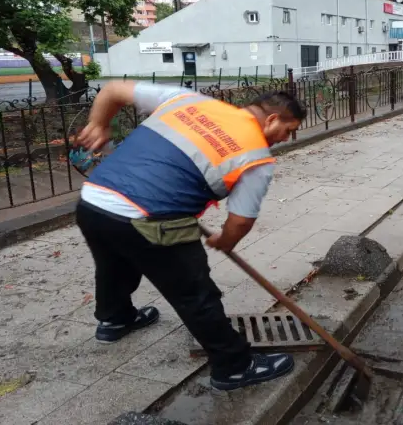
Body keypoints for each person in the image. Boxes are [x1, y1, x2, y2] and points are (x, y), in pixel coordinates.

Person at [73, 80, 306, 390]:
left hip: (93, 202)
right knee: (196, 294)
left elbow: (113, 90)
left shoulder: (187, 100)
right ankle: (234, 366)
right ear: (273, 119)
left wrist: (98, 124)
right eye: (289, 130)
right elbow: (240, 222)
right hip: (151, 219)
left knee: (114, 262)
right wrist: (225, 241)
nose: (286, 137)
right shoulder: (256, 157)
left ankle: (115, 319)